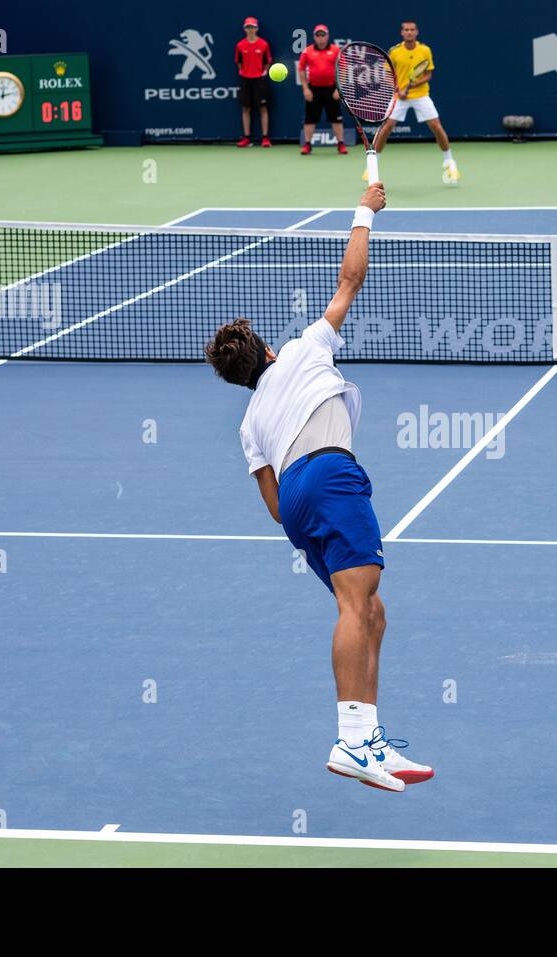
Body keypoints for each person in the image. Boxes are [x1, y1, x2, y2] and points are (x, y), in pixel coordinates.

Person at [204, 182, 433, 793]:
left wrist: (306, 498)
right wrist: (366, 209)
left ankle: (371, 738)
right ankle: (350, 739)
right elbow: (351, 278)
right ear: (269, 350)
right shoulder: (306, 350)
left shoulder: (251, 423)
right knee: (359, 603)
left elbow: (276, 509)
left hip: (298, 501)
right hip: (331, 474)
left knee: (370, 611)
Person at [372, 20, 458, 183]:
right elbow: (388, 75)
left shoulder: (425, 50)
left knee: (436, 125)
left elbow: (428, 74)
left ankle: (448, 160)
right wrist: (398, 91)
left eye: (412, 30)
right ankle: (374, 163)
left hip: (420, 95)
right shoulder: (395, 52)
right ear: (402, 33)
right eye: (406, 30)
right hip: (399, 97)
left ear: (416, 32)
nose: (409, 32)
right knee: (387, 127)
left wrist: (412, 86)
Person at [297, 24, 347, 156]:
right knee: (310, 119)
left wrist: (339, 89)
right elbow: (301, 69)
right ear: (314, 36)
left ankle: (340, 144)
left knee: (336, 119)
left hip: (332, 89)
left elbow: (343, 69)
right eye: (318, 35)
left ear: (327, 36)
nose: (320, 38)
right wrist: (305, 89)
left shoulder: (336, 50)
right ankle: (307, 145)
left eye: (323, 35)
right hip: (313, 89)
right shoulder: (307, 51)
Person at [235, 16, 272, 148]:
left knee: (263, 108)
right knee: (246, 108)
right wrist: (244, 72)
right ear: (245, 29)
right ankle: (246, 138)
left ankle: (265, 138)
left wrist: (261, 73)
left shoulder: (264, 44)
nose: (250, 29)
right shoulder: (240, 45)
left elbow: (267, 62)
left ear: (257, 29)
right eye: (248, 27)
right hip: (245, 80)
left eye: (252, 27)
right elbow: (238, 62)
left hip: (259, 80)